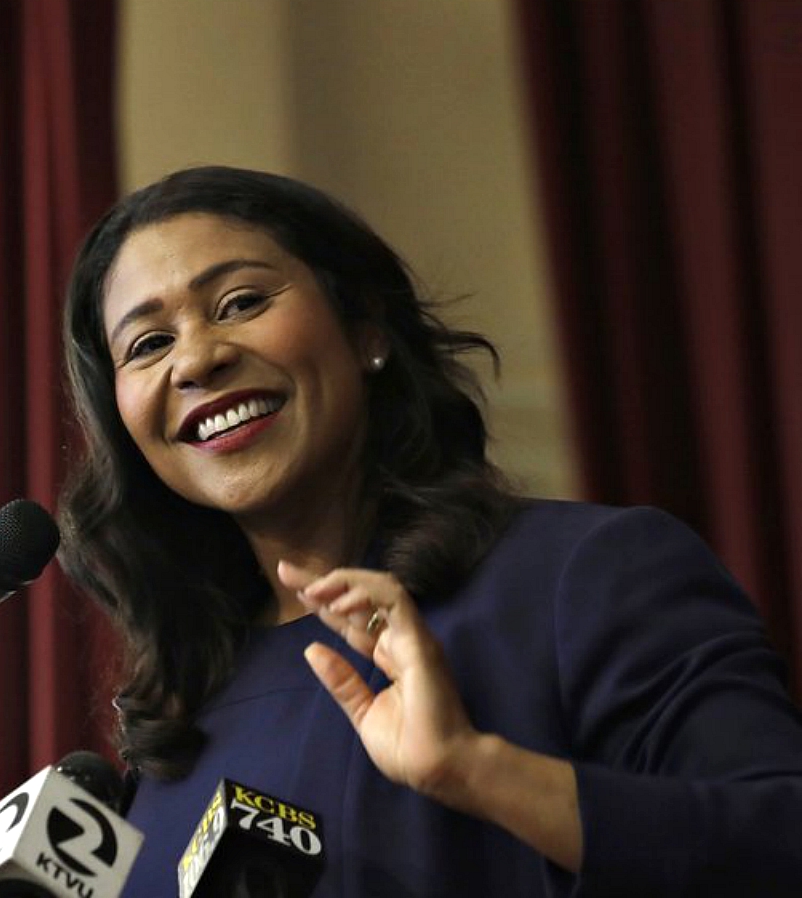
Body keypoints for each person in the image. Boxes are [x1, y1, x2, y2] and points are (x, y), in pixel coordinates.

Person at [56, 165, 802, 896]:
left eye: (241, 301)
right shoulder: (177, 716)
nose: (198, 358)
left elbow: (778, 843)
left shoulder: (584, 575)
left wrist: (477, 771)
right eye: (148, 344)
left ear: (367, 327)